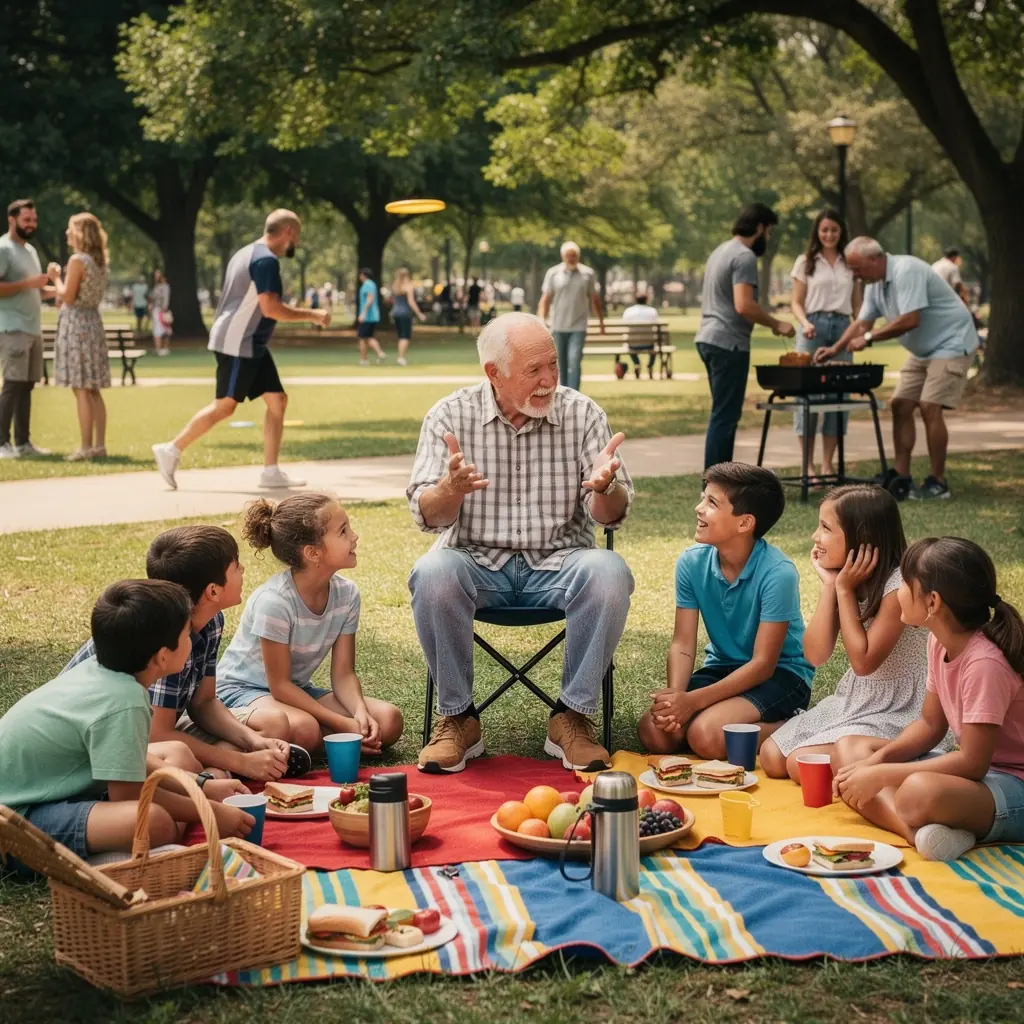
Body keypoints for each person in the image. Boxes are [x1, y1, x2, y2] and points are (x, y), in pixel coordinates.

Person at [407, 312, 634, 774]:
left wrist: (606, 488)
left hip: (560, 563)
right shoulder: (450, 415)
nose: (549, 379)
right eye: (534, 370)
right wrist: (449, 490)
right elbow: (427, 515)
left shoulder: (582, 413)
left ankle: (572, 718)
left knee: (610, 572)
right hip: (474, 562)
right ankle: (457, 719)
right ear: (494, 373)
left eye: (553, 364)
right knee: (432, 572)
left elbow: (611, 516)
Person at [0, 579, 255, 869]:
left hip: (52, 788)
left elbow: (127, 760)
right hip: (16, 818)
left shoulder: (103, 670)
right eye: (187, 634)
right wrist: (207, 810)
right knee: (156, 821)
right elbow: (131, 796)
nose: (192, 641)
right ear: (162, 656)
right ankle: (109, 860)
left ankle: (124, 839)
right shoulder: (125, 700)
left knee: (178, 754)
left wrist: (202, 787)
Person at [833, 537, 1024, 862]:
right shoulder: (938, 642)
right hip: (978, 779)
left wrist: (880, 776)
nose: (899, 590)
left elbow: (972, 763)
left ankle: (916, 823)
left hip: (1012, 783)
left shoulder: (985, 664)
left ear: (932, 602)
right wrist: (874, 763)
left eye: (906, 583)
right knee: (849, 750)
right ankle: (922, 836)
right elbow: (929, 725)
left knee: (916, 792)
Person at [62, 525, 301, 782]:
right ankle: (208, 778)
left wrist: (254, 743)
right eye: (236, 566)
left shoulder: (211, 621)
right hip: (117, 738)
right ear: (213, 591)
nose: (242, 570)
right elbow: (157, 734)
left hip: (159, 727)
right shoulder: (164, 636)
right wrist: (240, 760)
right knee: (178, 754)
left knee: (272, 725)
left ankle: (210, 775)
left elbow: (204, 703)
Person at [760, 485, 948, 780]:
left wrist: (844, 590)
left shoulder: (898, 585)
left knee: (800, 765)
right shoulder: (844, 579)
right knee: (771, 757)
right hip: (857, 696)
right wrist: (829, 587)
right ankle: (841, 746)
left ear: (863, 540)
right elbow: (816, 654)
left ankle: (913, 758)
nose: (814, 537)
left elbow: (864, 662)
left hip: (901, 704)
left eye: (825, 528)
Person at [640, 463, 812, 759]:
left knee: (706, 737)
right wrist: (676, 700)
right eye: (703, 497)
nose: (699, 508)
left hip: (781, 676)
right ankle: (711, 716)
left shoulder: (778, 573)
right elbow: (683, 642)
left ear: (745, 523)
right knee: (655, 733)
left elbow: (762, 665)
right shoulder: (691, 563)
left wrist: (692, 702)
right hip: (723, 669)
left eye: (712, 503)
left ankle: (797, 726)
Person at [151, 209, 330, 491]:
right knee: (225, 406)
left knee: (277, 401)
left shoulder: (246, 252)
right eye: (296, 236)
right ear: (288, 233)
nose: (294, 243)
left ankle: (270, 471)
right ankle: (171, 449)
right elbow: (270, 308)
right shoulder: (266, 260)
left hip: (250, 342)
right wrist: (313, 315)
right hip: (238, 342)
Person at [216, 493, 404, 755]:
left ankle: (316, 743)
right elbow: (279, 685)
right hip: (242, 692)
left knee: (388, 720)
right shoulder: (275, 602)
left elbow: (343, 674)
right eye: (343, 531)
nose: (354, 536)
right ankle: (322, 741)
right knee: (305, 728)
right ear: (313, 553)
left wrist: (360, 714)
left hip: (294, 691)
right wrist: (344, 724)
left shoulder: (347, 595)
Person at [816, 237, 979, 501]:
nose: (855, 275)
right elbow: (862, 323)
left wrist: (869, 339)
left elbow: (909, 320)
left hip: (953, 341)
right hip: (924, 350)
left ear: (875, 259)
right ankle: (902, 477)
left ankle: (938, 482)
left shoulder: (907, 270)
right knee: (901, 403)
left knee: (929, 406)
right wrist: (836, 349)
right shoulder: (874, 284)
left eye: (857, 269)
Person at [695, 203, 795, 470]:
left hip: (708, 337)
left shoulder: (720, 251)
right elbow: (744, 305)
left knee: (721, 414)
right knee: (725, 417)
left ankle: (716, 479)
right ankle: (718, 482)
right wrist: (777, 323)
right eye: (769, 231)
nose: (768, 238)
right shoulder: (745, 256)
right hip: (729, 342)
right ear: (760, 227)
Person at [789, 210, 861, 479]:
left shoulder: (850, 263)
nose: (829, 235)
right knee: (807, 394)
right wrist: (805, 323)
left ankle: (828, 464)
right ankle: (807, 466)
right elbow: (796, 302)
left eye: (834, 230)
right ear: (817, 232)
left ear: (841, 232)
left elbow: (857, 305)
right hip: (813, 329)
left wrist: (858, 331)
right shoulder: (805, 262)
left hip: (843, 327)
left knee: (838, 395)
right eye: (824, 230)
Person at [49, 213, 111, 462]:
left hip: (76, 326)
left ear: (79, 233)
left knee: (81, 388)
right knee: (93, 388)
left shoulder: (77, 260)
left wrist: (55, 277)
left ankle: (85, 447)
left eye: (69, 229)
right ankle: (99, 445)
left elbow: (69, 296)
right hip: (93, 323)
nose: (66, 233)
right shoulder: (100, 262)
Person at [0, 198, 52, 459]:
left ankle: (23, 443)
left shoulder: (30, 251)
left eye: (34, 220)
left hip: (33, 327)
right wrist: (27, 282)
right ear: (12, 219)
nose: (32, 224)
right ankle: (1, 443)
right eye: (26, 220)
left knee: (28, 385)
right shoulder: (3, 248)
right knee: (12, 384)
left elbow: (36, 290)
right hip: (12, 327)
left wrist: (63, 289)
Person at [537, 241, 604, 391]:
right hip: (557, 325)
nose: (571, 258)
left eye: (574, 256)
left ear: (578, 257)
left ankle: (573, 394)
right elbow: (545, 299)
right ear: (563, 256)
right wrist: (542, 320)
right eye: (568, 256)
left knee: (574, 360)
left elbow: (595, 299)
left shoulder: (588, 274)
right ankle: (562, 392)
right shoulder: (553, 273)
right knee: (560, 363)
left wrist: (601, 322)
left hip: (578, 325)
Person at [618, 291, 660, 380]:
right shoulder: (652, 311)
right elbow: (656, 325)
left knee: (628, 345)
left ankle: (637, 363)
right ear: (646, 300)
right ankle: (650, 365)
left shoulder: (628, 311)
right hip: (649, 343)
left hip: (633, 343)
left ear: (635, 300)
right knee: (655, 347)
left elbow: (625, 325)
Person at [390, 267, 426, 367]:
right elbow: (411, 302)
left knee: (401, 336)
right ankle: (401, 358)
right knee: (405, 336)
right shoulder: (408, 286)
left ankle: (401, 356)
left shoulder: (395, 286)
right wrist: (419, 314)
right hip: (405, 313)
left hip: (396, 313)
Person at [357, 267, 385, 365]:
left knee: (365, 337)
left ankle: (378, 353)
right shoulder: (371, 285)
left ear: (363, 275)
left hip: (368, 316)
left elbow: (370, 299)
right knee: (366, 337)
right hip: (372, 316)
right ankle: (364, 358)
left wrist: (363, 313)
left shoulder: (368, 285)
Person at [150, 268, 172, 356]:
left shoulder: (164, 286)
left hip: (161, 311)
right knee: (158, 330)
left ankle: (164, 349)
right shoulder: (157, 286)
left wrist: (164, 309)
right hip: (156, 310)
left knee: (164, 329)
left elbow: (165, 299)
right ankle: (158, 349)